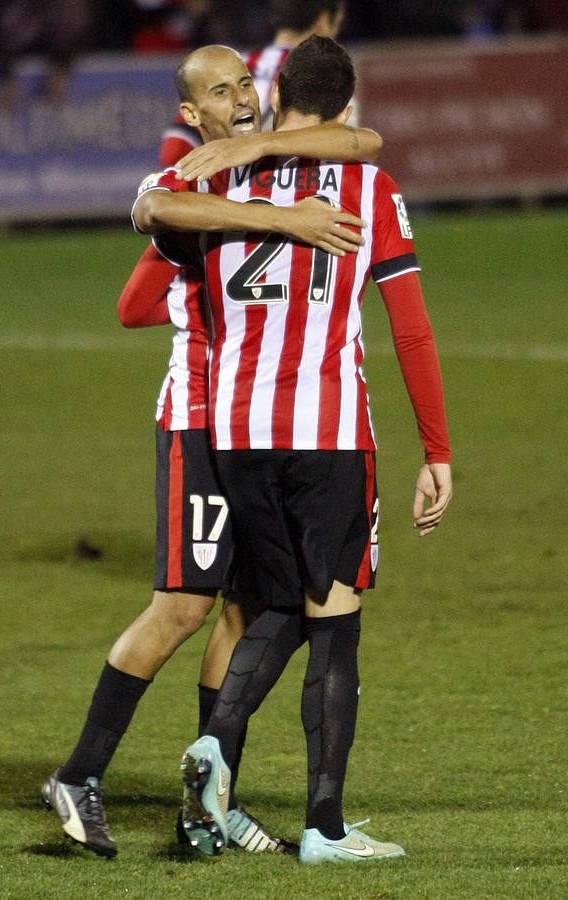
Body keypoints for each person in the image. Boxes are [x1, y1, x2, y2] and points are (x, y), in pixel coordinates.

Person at [41, 43, 383, 859]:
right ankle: (79, 773)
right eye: (218, 94)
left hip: (256, 423)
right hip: (200, 416)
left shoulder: (272, 161)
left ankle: (210, 795)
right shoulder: (199, 176)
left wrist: (264, 156)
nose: (238, 101)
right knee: (185, 605)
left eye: (244, 88)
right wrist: (280, 221)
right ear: (190, 115)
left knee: (253, 610)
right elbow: (150, 223)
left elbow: (364, 141)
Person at [136, 36, 452, 862]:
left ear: (275, 95)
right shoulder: (368, 186)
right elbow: (409, 327)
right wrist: (437, 449)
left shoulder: (222, 174)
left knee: (273, 606)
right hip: (328, 431)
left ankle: (217, 746)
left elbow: (147, 246)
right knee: (334, 620)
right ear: (346, 108)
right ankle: (323, 826)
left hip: (235, 434)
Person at [160, 0, 347, 166]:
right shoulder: (323, 74)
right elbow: (346, 148)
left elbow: (174, 151)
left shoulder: (230, 65)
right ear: (323, 20)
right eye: (338, 23)